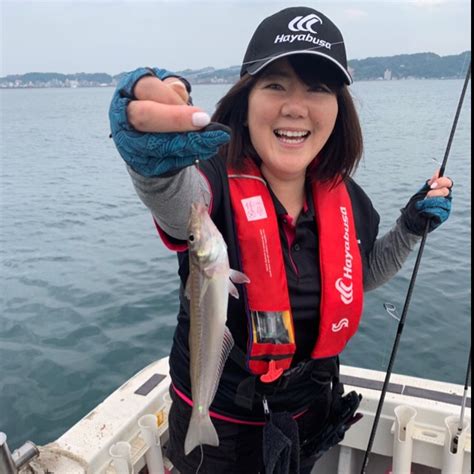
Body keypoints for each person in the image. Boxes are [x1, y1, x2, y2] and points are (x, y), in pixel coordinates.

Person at [108, 6, 453, 473]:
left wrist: (410, 227)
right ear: (245, 101)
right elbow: (171, 197)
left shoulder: (346, 197)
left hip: (307, 415)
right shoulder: (208, 184)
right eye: (276, 85)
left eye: (318, 87)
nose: (296, 106)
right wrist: (147, 156)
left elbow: (360, 275)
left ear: (338, 108)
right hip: (222, 429)